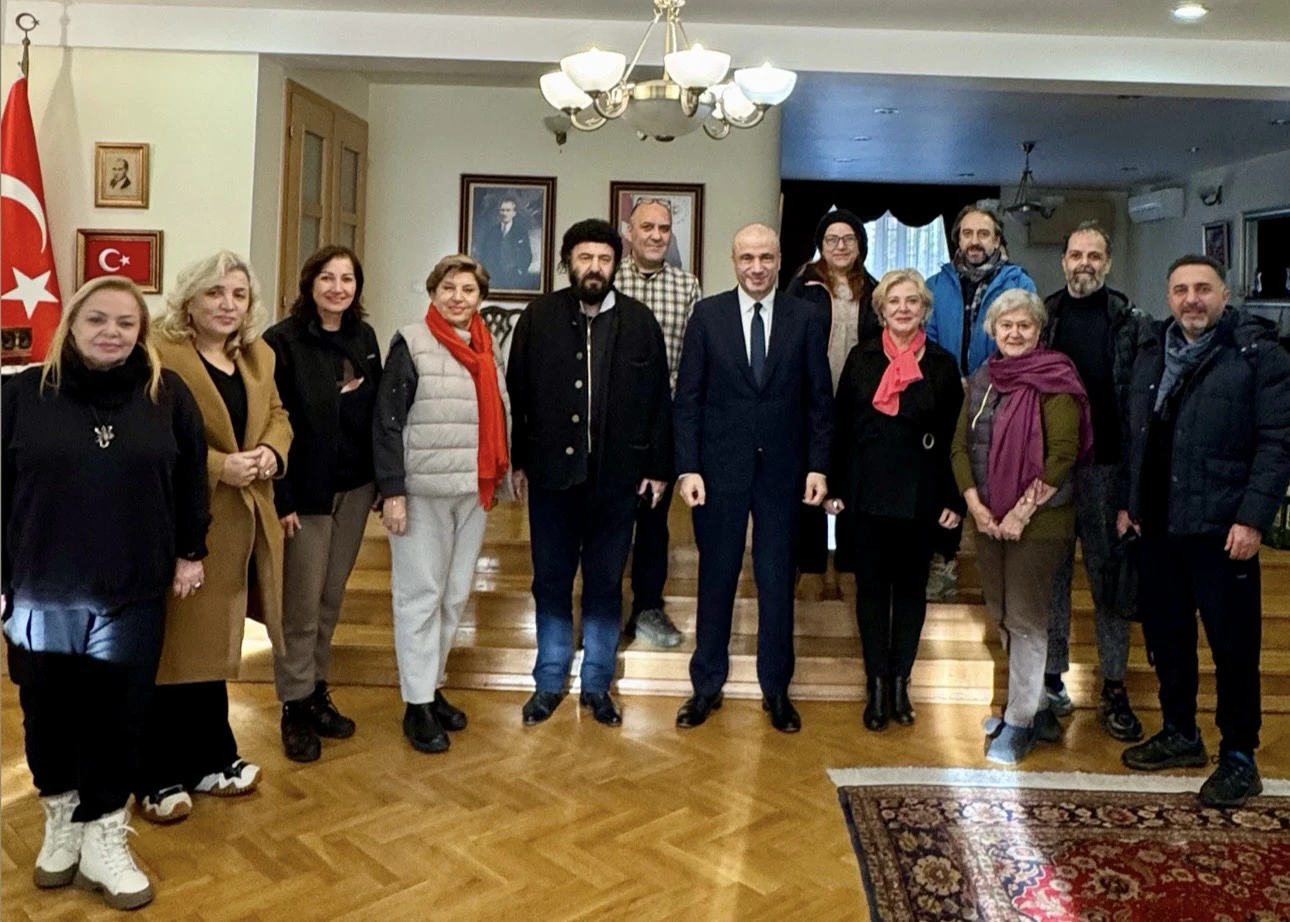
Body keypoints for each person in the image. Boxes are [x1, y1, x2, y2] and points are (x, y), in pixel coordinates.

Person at [2, 277, 209, 910]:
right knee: (48, 715)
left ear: (141, 333)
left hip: (133, 588)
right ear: (71, 322)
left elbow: (191, 478)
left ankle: (104, 835)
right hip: (41, 590)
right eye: (98, 319)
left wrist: (189, 551)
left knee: (119, 716)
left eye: (126, 322)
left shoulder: (166, 394)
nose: (112, 332)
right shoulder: (19, 395)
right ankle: (62, 823)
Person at [1120, 255, 1290, 808]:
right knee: (1168, 640)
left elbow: (1277, 443)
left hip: (1223, 528)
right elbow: (1136, 436)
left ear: (1224, 292)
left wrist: (1252, 518)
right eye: (1180, 290)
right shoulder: (1150, 350)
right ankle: (1180, 733)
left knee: (1233, 648)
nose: (1191, 299)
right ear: (1168, 296)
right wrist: (1130, 504)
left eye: (1202, 289)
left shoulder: (1257, 354)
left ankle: (1240, 756)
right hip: (1159, 526)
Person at [137, 251, 293, 823]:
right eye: (215, 294)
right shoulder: (158, 350)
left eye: (239, 295)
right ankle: (154, 772)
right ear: (190, 299)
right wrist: (216, 466)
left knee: (216, 645)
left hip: (245, 520)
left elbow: (279, 414)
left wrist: (271, 453)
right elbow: (148, 435)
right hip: (185, 522)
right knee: (175, 648)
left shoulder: (258, 354)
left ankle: (211, 758)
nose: (228, 305)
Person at [507, 219, 672, 728]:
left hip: (617, 479)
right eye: (585, 259)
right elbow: (519, 392)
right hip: (553, 477)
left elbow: (658, 401)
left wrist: (658, 467)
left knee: (604, 584)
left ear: (615, 264)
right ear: (568, 263)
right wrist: (518, 461)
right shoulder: (539, 317)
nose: (594, 268)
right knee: (551, 581)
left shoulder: (641, 321)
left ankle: (598, 684)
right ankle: (549, 679)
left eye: (603, 259)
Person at [674, 223, 833, 734]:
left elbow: (818, 399)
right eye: (747, 258)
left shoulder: (805, 317)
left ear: (781, 258)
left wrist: (818, 465)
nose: (757, 267)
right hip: (718, 471)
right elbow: (689, 399)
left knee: (775, 581)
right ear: (733, 260)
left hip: (785, 473)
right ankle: (705, 685)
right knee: (716, 577)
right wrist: (688, 467)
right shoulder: (708, 315)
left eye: (766, 257)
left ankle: (776, 690)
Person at [374, 254, 511, 754]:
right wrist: (392, 492)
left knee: (454, 597)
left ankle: (431, 688)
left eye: (468, 290)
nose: (458, 297)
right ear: (433, 293)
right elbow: (386, 422)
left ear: (480, 298)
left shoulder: (485, 345)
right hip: (422, 493)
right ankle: (414, 705)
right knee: (420, 596)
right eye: (448, 288)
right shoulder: (411, 343)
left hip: (472, 491)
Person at [950, 289, 1091, 765]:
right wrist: (977, 506)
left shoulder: (1056, 379)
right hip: (988, 519)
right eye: (1005, 325)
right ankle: (1032, 705)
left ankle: (1022, 721)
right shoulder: (985, 378)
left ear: (1038, 331)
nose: (1014, 333)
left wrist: (1019, 513)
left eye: (1024, 326)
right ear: (993, 330)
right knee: (1003, 614)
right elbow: (958, 449)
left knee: (1028, 620)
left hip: (1041, 521)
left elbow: (1062, 458)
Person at [826, 269, 963, 731]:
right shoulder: (861, 358)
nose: (903, 308)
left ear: (924, 310)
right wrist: (836, 487)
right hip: (866, 491)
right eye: (894, 301)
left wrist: (953, 499)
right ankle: (877, 684)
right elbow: (841, 427)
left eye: (912, 302)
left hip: (922, 493)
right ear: (881, 310)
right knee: (870, 591)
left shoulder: (943, 365)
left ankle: (901, 682)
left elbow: (952, 439)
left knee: (909, 592)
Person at [263, 245, 382, 763]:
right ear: (309, 284)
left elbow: (375, 412)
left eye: (348, 279)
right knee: (300, 607)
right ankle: (293, 707)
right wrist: (280, 496)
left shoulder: (364, 337)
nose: (338, 288)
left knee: (331, 600)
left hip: (354, 490)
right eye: (328, 278)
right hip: (304, 495)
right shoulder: (280, 342)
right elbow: (271, 420)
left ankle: (316, 692)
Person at [1040, 222, 1151, 741]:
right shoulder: (1043, 319)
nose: (1084, 263)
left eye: (1095, 255)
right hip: (1054, 473)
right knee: (1052, 580)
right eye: (1076, 253)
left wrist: (1135, 491)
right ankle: (1051, 680)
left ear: (1107, 263)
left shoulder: (1131, 323)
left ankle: (1112, 686)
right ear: (1063, 261)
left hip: (1109, 470)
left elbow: (1142, 410)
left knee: (1109, 584)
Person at [925, 206, 1037, 600]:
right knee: (944, 472)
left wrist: (982, 377)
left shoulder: (1018, 284)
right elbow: (929, 334)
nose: (974, 241)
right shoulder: (937, 283)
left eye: (983, 233)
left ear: (997, 239)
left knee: (988, 471)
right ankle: (943, 560)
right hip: (944, 391)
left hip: (997, 391)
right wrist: (947, 377)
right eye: (967, 233)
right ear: (957, 238)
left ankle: (1000, 566)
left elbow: (1021, 336)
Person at [614, 198, 702, 649]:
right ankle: (602, 607)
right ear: (629, 232)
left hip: (660, 420)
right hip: (608, 419)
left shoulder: (687, 286)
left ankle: (647, 606)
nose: (655, 235)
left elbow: (692, 359)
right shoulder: (607, 278)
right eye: (646, 227)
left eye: (664, 229)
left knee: (653, 520)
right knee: (607, 516)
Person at [787, 208, 882, 599]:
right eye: (832, 240)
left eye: (848, 239)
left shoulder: (877, 290)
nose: (840, 246)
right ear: (820, 246)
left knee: (851, 482)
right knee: (810, 477)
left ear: (860, 245)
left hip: (860, 400)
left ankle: (848, 564)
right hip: (810, 398)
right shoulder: (802, 286)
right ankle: (809, 566)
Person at [473, 197, 534, 290]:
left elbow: (527, 254)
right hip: (494, 277)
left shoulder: (521, 232)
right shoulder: (492, 232)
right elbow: (484, 254)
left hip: (514, 277)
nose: (505, 213)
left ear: (514, 213)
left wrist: (521, 270)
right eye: (502, 210)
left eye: (508, 210)